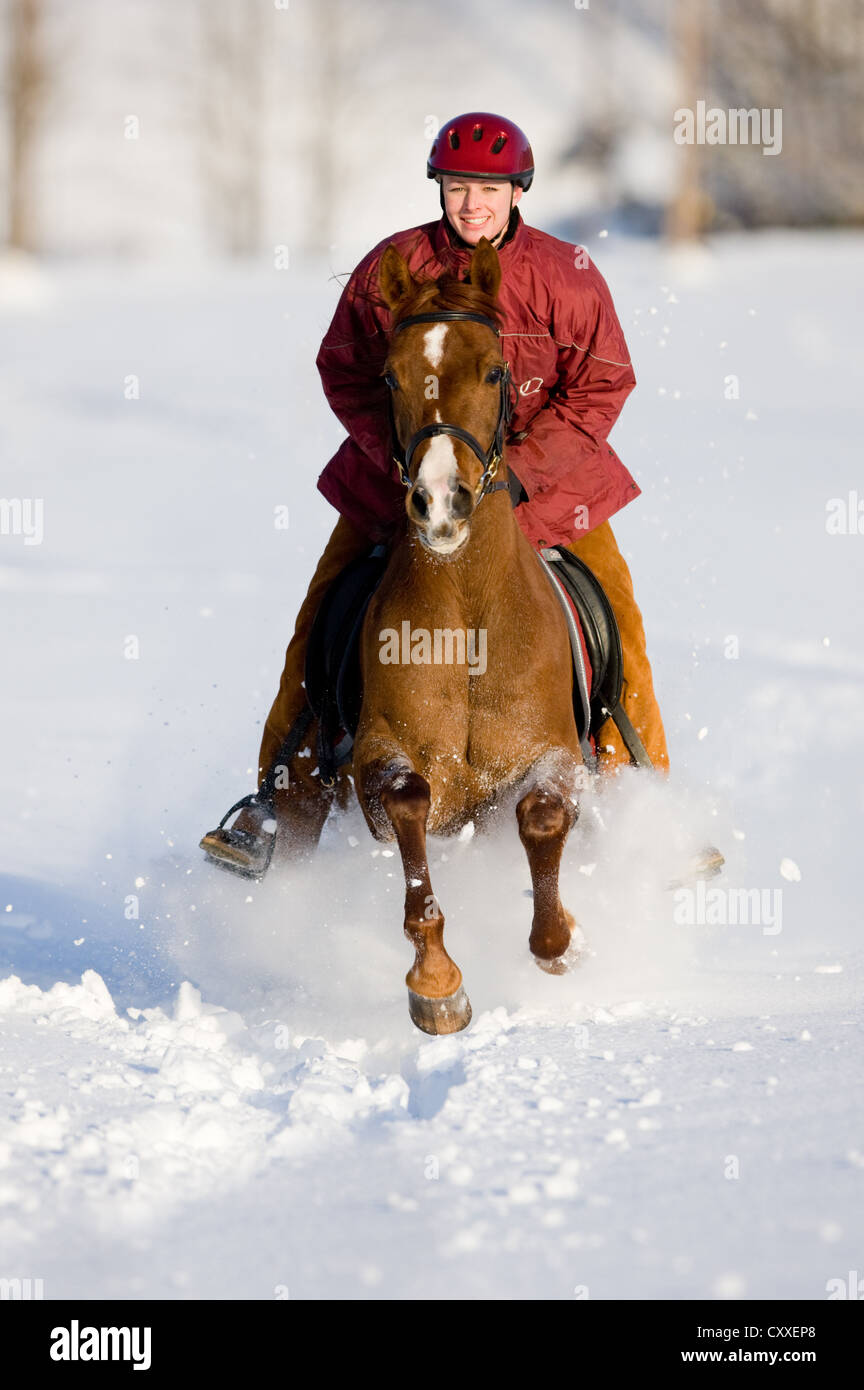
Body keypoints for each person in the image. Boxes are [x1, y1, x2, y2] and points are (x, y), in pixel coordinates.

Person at [200, 111, 671, 878]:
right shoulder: (394, 264)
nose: (472, 205)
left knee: (616, 622)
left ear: (518, 191)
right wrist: (407, 458)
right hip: (405, 485)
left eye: (488, 189)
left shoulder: (566, 275)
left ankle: (636, 795)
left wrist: (520, 470)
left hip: (553, 493)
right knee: (323, 616)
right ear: (441, 191)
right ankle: (280, 797)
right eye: (458, 189)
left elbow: (603, 383)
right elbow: (344, 368)